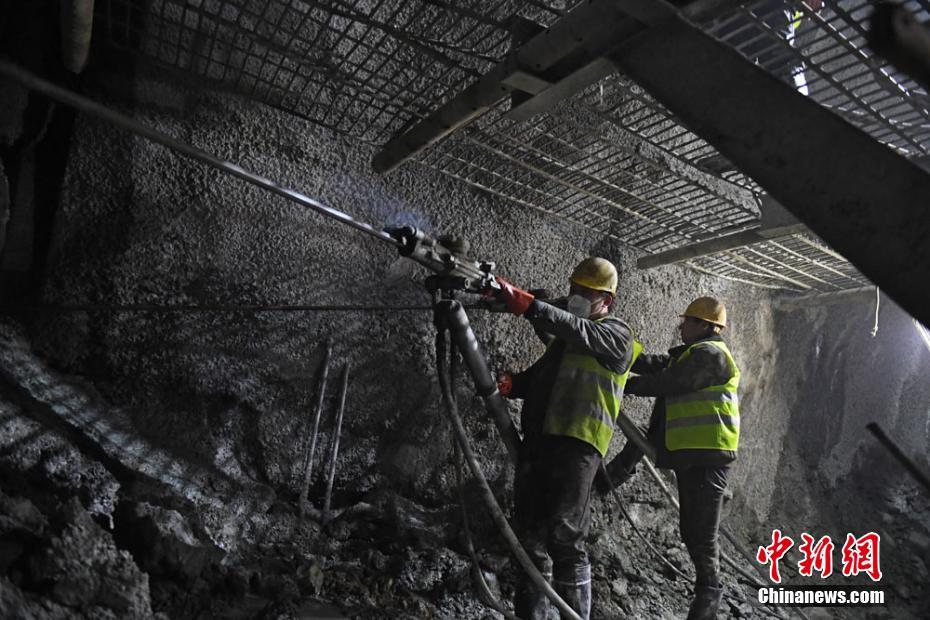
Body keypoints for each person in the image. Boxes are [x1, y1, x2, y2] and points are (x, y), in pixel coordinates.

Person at [493, 257, 640, 620]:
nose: (576, 297)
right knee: (530, 535)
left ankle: (574, 615)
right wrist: (514, 384)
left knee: (565, 535)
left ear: (607, 300)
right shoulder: (566, 340)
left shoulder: (616, 335)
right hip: (540, 441)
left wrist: (532, 306)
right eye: (574, 289)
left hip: (578, 445)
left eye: (586, 292)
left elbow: (577, 328)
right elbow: (543, 376)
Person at [600, 296, 740, 620]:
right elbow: (656, 365)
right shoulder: (692, 355)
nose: (682, 326)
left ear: (707, 326)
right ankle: (608, 479)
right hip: (691, 452)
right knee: (691, 530)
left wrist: (625, 385)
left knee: (700, 535)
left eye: (688, 321)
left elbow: (670, 381)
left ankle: (708, 600)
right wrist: (617, 351)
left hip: (709, 456)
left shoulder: (712, 355)